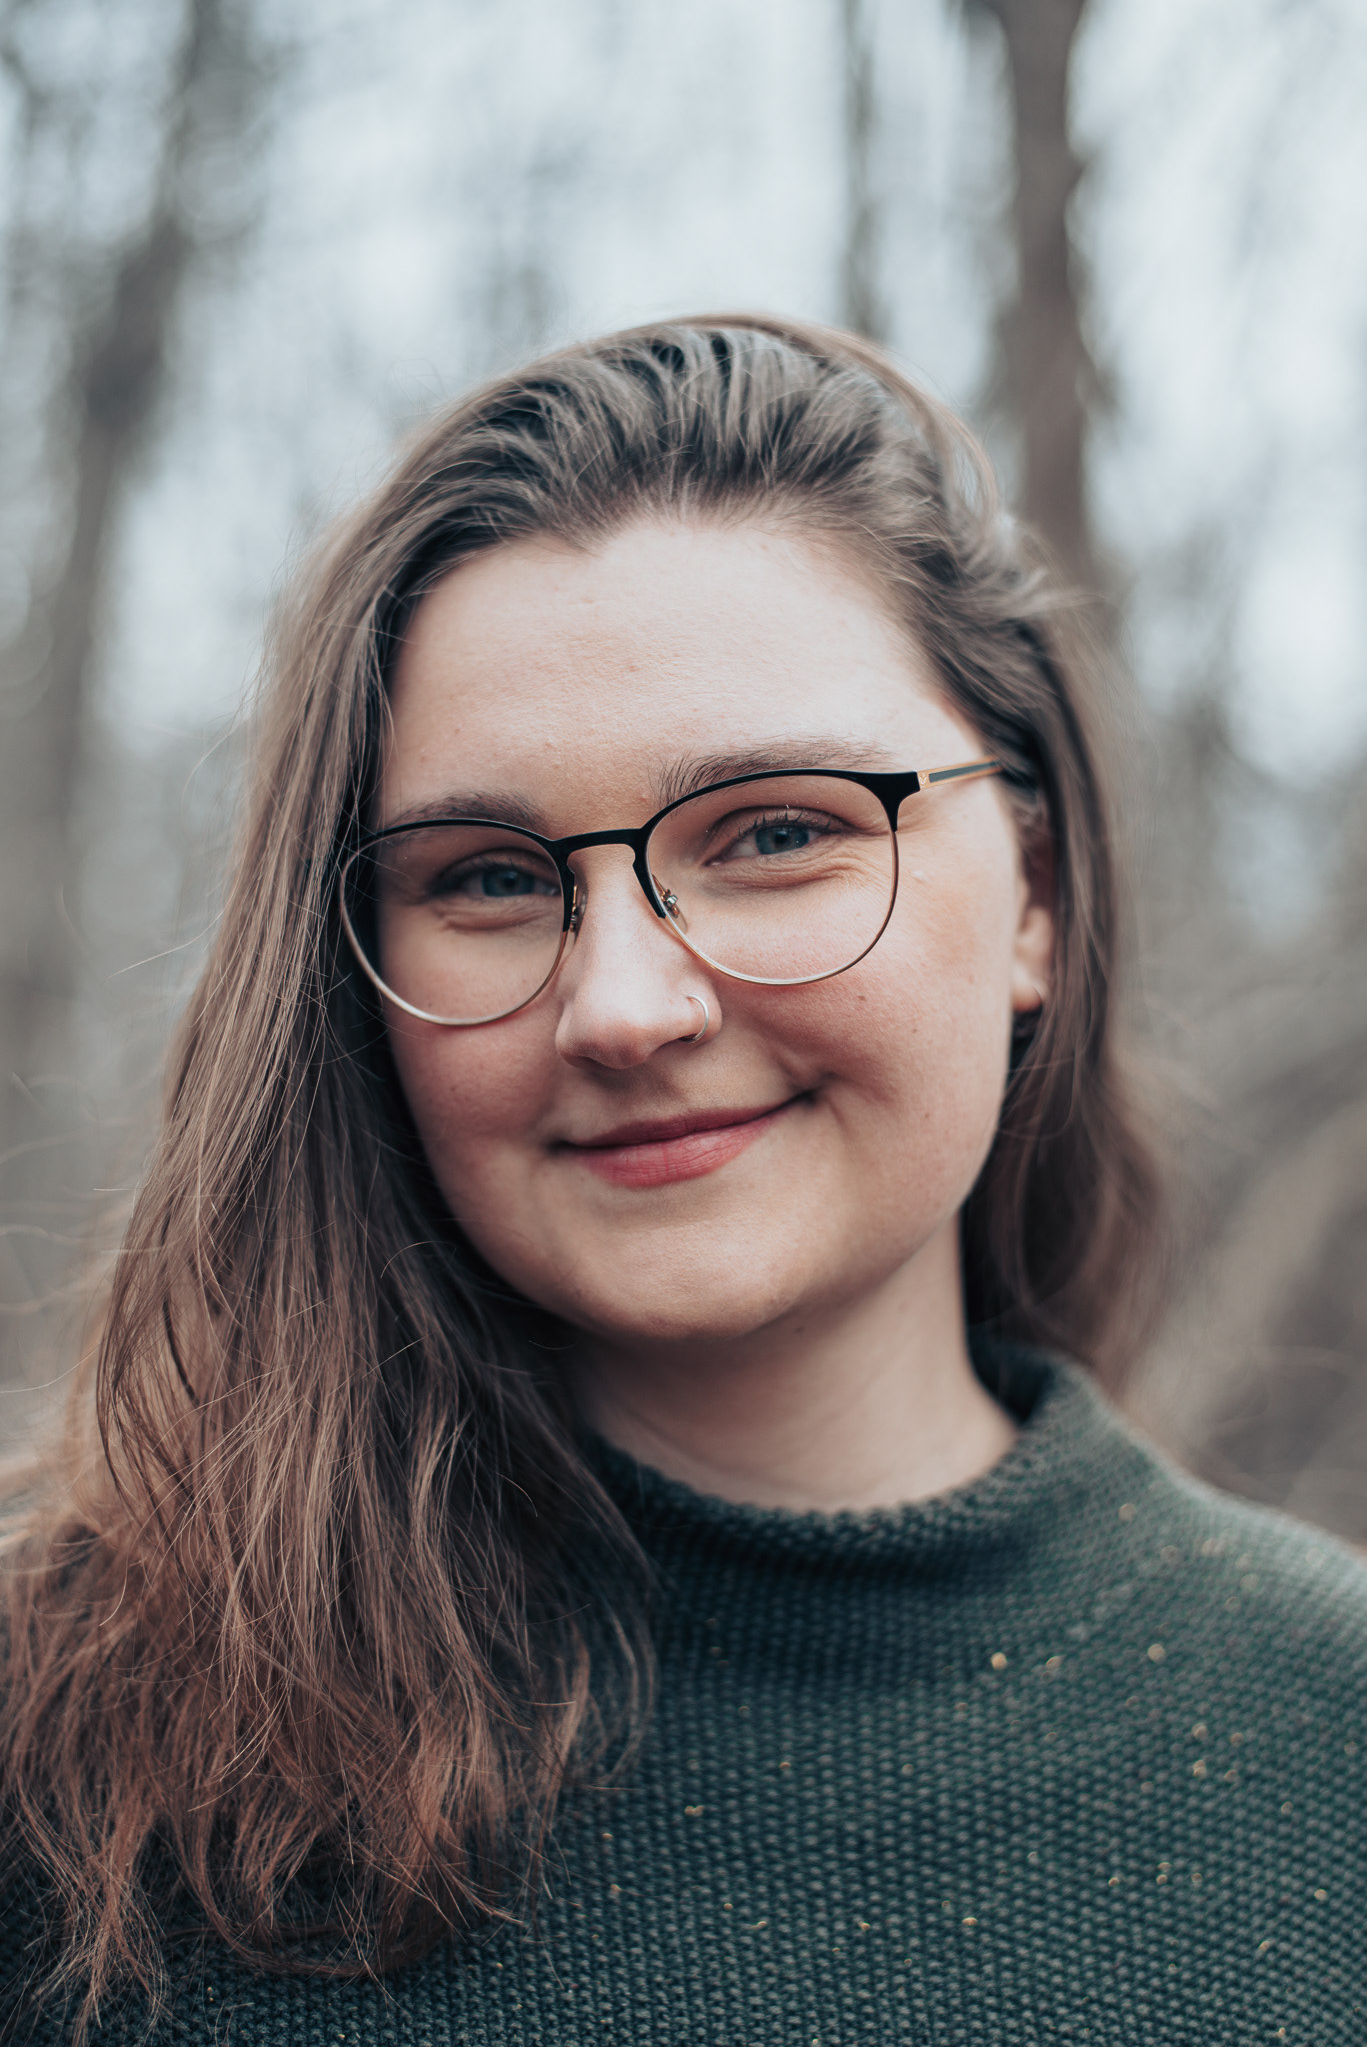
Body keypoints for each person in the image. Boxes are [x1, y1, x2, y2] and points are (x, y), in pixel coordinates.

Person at [2, 314, 1364, 2046]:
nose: (628, 1007)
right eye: (490, 878)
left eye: (779, 833)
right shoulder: (69, 1769)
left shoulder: (1330, 1743)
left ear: (1030, 890)